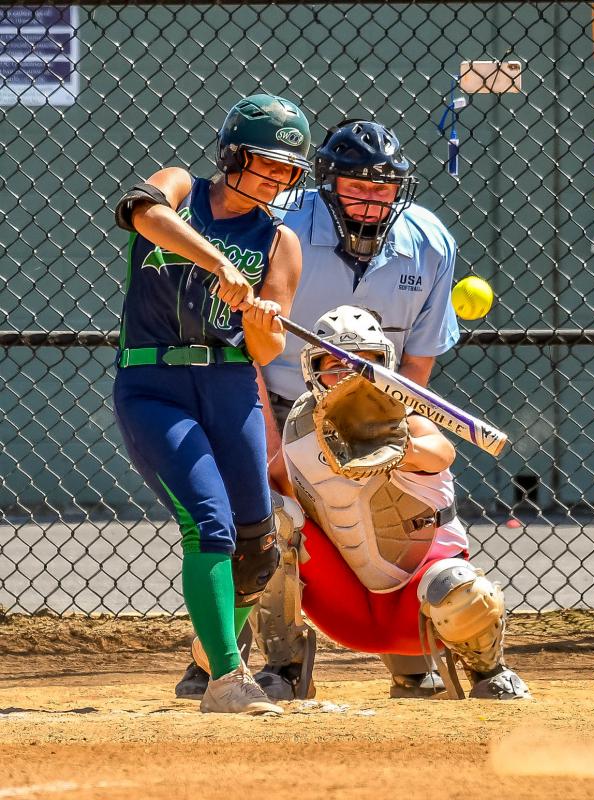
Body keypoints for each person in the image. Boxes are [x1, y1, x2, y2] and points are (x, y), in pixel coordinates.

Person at [175, 118, 461, 700]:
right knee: (260, 521)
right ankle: (242, 658)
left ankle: (407, 652)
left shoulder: (429, 241)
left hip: (373, 413)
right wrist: (270, 443)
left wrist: (392, 426)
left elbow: (417, 362)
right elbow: (246, 346)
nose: (371, 198)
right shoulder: (282, 226)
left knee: (384, 512)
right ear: (327, 185)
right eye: (356, 185)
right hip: (276, 399)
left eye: (383, 186)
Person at [113, 93, 311, 715]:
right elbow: (142, 212)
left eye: (288, 170)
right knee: (209, 522)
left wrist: (261, 317)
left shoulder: (280, 241)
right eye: (267, 163)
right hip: (154, 383)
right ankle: (227, 678)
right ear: (232, 156)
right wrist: (219, 261)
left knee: (258, 545)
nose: (277, 179)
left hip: (229, 385)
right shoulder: (182, 189)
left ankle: (211, 641)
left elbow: (266, 347)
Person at [230, 307, 528, 701]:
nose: (349, 376)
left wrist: (400, 449)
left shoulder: (406, 415)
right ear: (312, 370)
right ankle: (283, 667)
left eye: (363, 364)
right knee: (267, 516)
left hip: (421, 608)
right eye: (335, 366)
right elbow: (274, 485)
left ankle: (489, 670)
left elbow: (442, 453)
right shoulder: (303, 425)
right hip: (348, 606)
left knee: (459, 585)